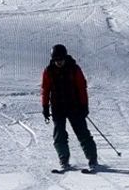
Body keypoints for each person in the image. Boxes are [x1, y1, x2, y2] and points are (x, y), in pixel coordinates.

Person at [41, 44, 99, 172]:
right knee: (59, 135)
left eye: (61, 59)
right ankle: (64, 160)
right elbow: (45, 90)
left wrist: (84, 106)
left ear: (65, 57)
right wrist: (45, 107)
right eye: (56, 60)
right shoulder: (48, 71)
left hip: (75, 107)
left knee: (83, 133)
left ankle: (92, 159)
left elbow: (82, 88)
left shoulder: (74, 69)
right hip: (58, 108)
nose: (59, 62)